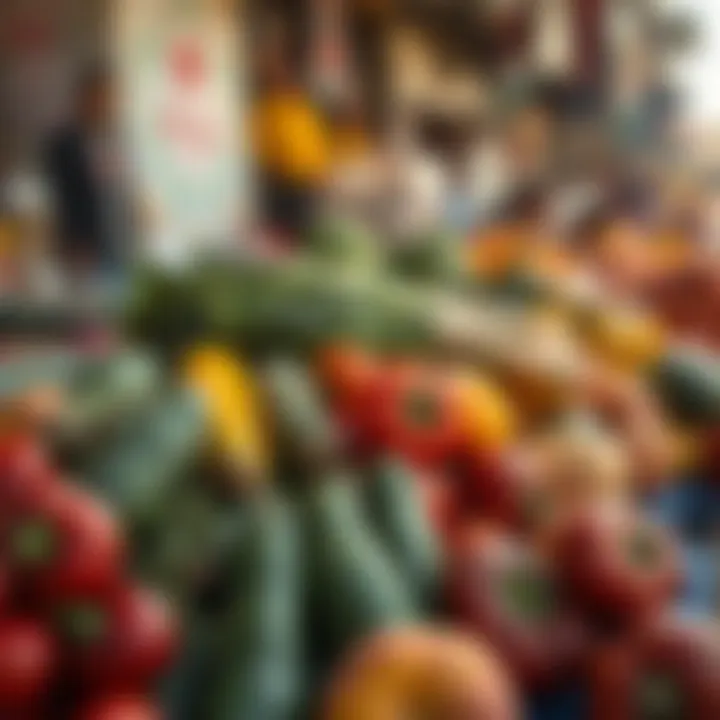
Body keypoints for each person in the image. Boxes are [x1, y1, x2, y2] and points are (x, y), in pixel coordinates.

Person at [43, 63, 131, 279]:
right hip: (80, 250)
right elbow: (58, 199)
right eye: (100, 96)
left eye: (110, 98)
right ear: (83, 98)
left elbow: (120, 190)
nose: (106, 104)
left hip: (117, 245)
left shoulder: (116, 139)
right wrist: (70, 245)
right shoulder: (63, 144)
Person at [252, 47, 331, 240]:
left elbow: (317, 141)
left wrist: (321, 171)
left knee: (309, 234)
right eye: (273, 72)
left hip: (308, 183)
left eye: (283, 71)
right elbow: (259, 147)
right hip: (281, 184)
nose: (280, 76)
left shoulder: (302, 106)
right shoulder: (265, 107)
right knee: (284, 237)